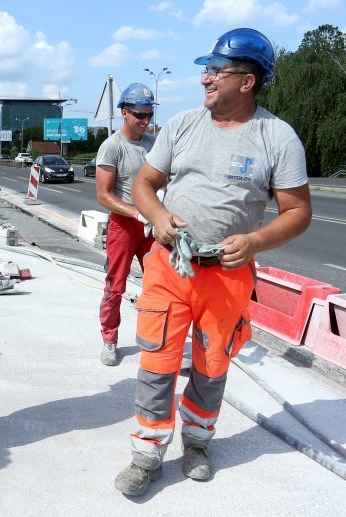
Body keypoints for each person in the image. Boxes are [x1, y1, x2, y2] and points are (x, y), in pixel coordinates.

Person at [114, 28, 312, 496]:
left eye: (215, 71)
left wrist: (256, 241)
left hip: (227, 276)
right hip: (170, 267)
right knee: (157, 362)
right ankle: (147, 452)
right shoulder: (182, 125)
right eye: (206, 70)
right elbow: (143, 185)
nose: (205, 79)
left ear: (247, 81)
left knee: (212, 363)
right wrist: (158, 216)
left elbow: (299, 212)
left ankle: (198, 442)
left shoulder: (277, 137)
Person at [95, 83, 158, 366]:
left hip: (151, 225)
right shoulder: (112, 147)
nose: (146, 121)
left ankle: (157, 340)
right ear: (124, 113)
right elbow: (103, 195)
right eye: (140, 116)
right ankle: (109, 339)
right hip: (124, 224)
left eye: (149, 115)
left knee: (160, 284)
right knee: (116, 285)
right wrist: (135, 212)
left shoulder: (152, 145)